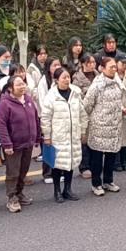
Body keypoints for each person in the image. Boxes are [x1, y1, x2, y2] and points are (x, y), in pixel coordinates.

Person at [83, 57, 126, 195]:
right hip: (99, 127)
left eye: (115, 66)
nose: (114, 69)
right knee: (97, 158)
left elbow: (120, 100)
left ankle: (108, 181)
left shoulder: (117, 82)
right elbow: (87, 105)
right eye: (111, 67)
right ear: (102, 68)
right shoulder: (97, 85)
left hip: (114, 125)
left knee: (111, 156)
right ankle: (96, 184)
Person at [0, 76, 42, 213]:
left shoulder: (28, 99)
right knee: (13, 172)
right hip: (14, 145)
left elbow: (35, 119)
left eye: (23, 84)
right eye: (18, 85)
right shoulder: (5, 104)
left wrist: (37, 136)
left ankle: (19, 193)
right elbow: (1, 126)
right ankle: (12, 198)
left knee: (23, 171)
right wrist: (7, 144)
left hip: (28, 142)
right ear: (10, 88)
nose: (22, 87)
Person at [41, 67, 86, 203]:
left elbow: (82, 113)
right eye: (64, 78)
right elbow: (45, 118)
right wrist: (47, 136)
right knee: (57, 164)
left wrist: (83, 131)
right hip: (58, 136)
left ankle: (68, 189)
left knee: (70, 163)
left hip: (73, 135)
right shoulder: (51, 96)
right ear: (56, 80)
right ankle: (57, 191)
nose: (67, 80)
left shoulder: (75, 93)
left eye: (68, 77)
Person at [72, 54, 98, 179]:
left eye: (94, 62)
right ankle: (84, 167)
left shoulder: (98, 76)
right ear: (83, 64)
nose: (93, 65)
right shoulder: (77, 78)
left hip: (97, 112)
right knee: (84, 140)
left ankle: (94, 165)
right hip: (84, 112)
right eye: (90, 62)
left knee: (95, 139)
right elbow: (76, 96)